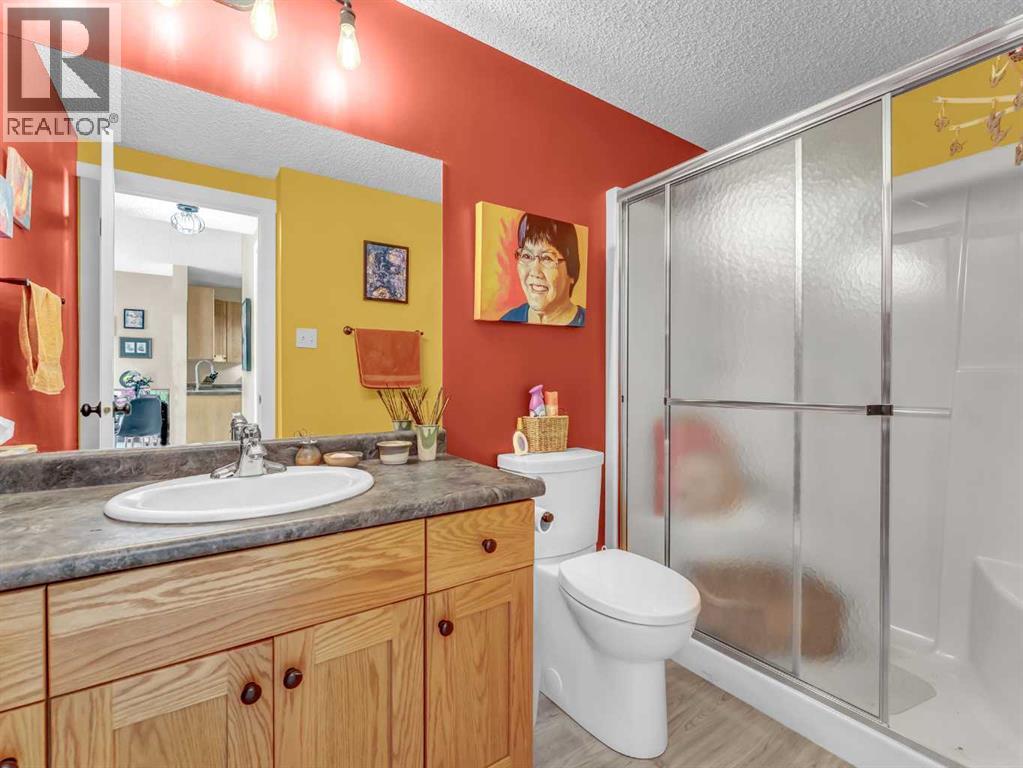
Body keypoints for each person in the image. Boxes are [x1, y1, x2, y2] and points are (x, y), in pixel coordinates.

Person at [500, 212, 585, 326]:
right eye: (527, 256)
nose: (535, 272)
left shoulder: (590, 322)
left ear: (572, 270)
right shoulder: (508, 320)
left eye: (547, 258)